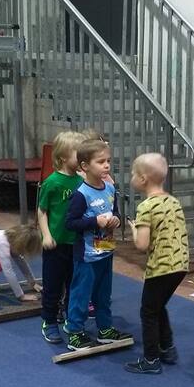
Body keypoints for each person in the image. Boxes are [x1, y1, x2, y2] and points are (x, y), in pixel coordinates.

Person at [63, 138, 133, 351]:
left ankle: (105, 329)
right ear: (85, 166)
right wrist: (95, 222)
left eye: (108, 161)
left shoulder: (110, 188)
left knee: (103, 294)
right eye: (101, 162)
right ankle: (75, 332)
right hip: (86, 256)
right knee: (81, 294)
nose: (107, 166)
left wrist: (116, 220)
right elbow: (70, 223)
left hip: (105, 252)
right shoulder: (81, 194)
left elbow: (115, 212)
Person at [123, 153, 190, 374]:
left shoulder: (146, 207)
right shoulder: (173, 201)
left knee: (148, 311)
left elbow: (142, 245)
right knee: (158, 305)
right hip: (180, 264)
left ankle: (151, 359)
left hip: (162, 266)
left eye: (133, 173)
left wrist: (134, 230)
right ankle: (167, 348)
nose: (131, 177)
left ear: (143, 179)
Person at [38, 130, 85, 343]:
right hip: (56, 244)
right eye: (78, 154)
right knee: (53, 285)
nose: (83, 158)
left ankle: (71, 319)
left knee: (74, 284)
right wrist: (46, 235)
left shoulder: (82, 182)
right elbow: (42, 211)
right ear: (64, 157)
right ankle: (49, 320)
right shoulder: (53, 182)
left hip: (77, 243)